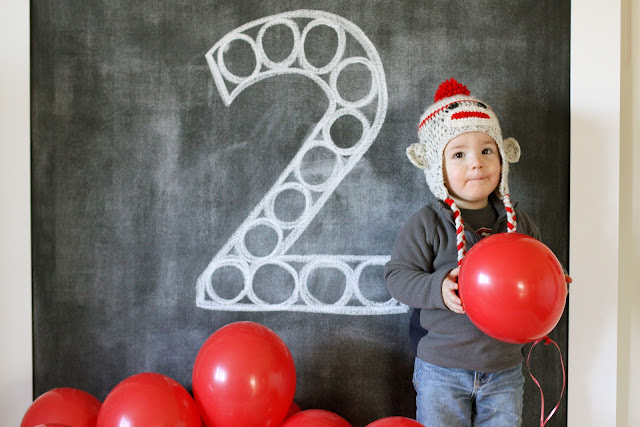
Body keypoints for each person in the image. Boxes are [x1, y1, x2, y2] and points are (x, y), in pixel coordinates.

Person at [384, 78, 569, 426]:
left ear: (503, 156)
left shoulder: (518, 224)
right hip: (441, 369)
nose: (477, 163)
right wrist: (438, 287)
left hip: (505, 370)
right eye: (459, 154)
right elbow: (397, 277)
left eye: (487, 151)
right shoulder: (428, 223)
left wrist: (554, 282)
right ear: (436, 166)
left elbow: (539, 270)